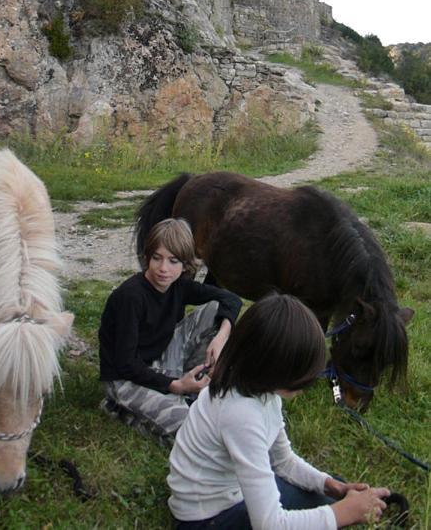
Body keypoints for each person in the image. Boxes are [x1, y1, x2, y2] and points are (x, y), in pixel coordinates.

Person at [167, 293, 391, 529]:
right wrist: (344, 513)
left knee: (327, 498)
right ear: (273, 367)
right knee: (332, 515)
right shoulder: (240, 414)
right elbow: (270, 524)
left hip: (234, 491)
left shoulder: (259, 388)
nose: (305, 387)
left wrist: (331, 486)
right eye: (301, 376)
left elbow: (283, 461)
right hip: (206, 519)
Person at [98, 217, 242, 443]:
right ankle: (120, 407)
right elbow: (124, 362)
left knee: (215, 309)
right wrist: (174, 386)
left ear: (185, 265)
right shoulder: (130, 297)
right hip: (125, 378)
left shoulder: (178, 286)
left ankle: (193, 385)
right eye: (157, 258)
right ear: (147, 257)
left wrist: (222, 337)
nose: (163, 269)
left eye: (173, 261)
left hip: (160, 360)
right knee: (192, 428)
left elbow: (231, 299)